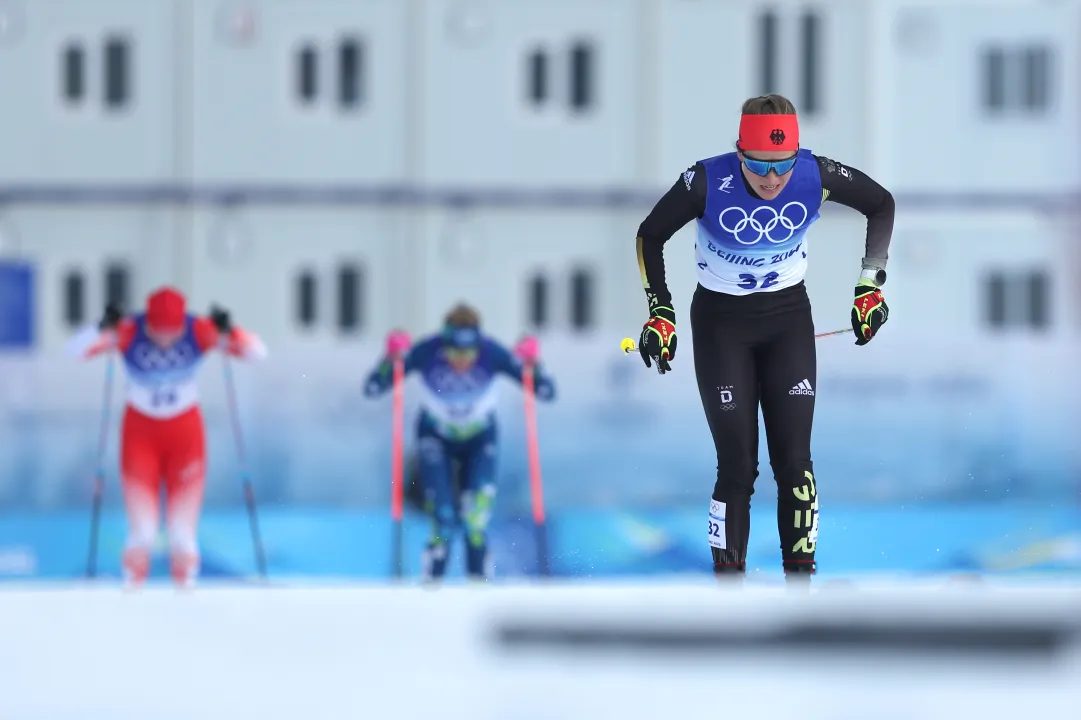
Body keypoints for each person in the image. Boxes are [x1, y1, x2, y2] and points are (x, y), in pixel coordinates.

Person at [634, 94, 893, 583]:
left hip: (787, 320)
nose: (772, 179)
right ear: (739, 152)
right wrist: (660, 312)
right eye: (757, 165)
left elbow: (881, 204)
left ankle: (802, 590)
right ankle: (729, 593)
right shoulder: (707, 180)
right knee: (737, 468)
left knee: (795, 463)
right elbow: (650, 234)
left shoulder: (817, 175)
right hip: (721, 325)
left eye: (782, 165)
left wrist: (869, 284)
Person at [67, 287, 267, 587]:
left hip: (185, 435)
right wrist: (101, 325)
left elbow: (258, 353)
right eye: (157, 331)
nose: (164, 340)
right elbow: (73, 352)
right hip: (140, 435)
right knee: (143, 532)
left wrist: (232, 330)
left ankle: (186, 592)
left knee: (182, 534)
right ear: (147, 322)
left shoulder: (199, 330)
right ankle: (132, 590)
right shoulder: (129, 330)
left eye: (171, 332)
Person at [363, 304, 556, 581]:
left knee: (475, 518)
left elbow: (546, 391)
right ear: (445, 343)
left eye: (468, 353)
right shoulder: (428, 350)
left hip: (479, 438)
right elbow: (374, 387)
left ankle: (479, 580)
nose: (461, 360)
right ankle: (432, 584)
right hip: (436, 437)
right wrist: (390, 357)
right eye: (454, 352)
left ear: (478, 346)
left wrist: (534, 363)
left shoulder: (492, 353)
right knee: (443, 518)